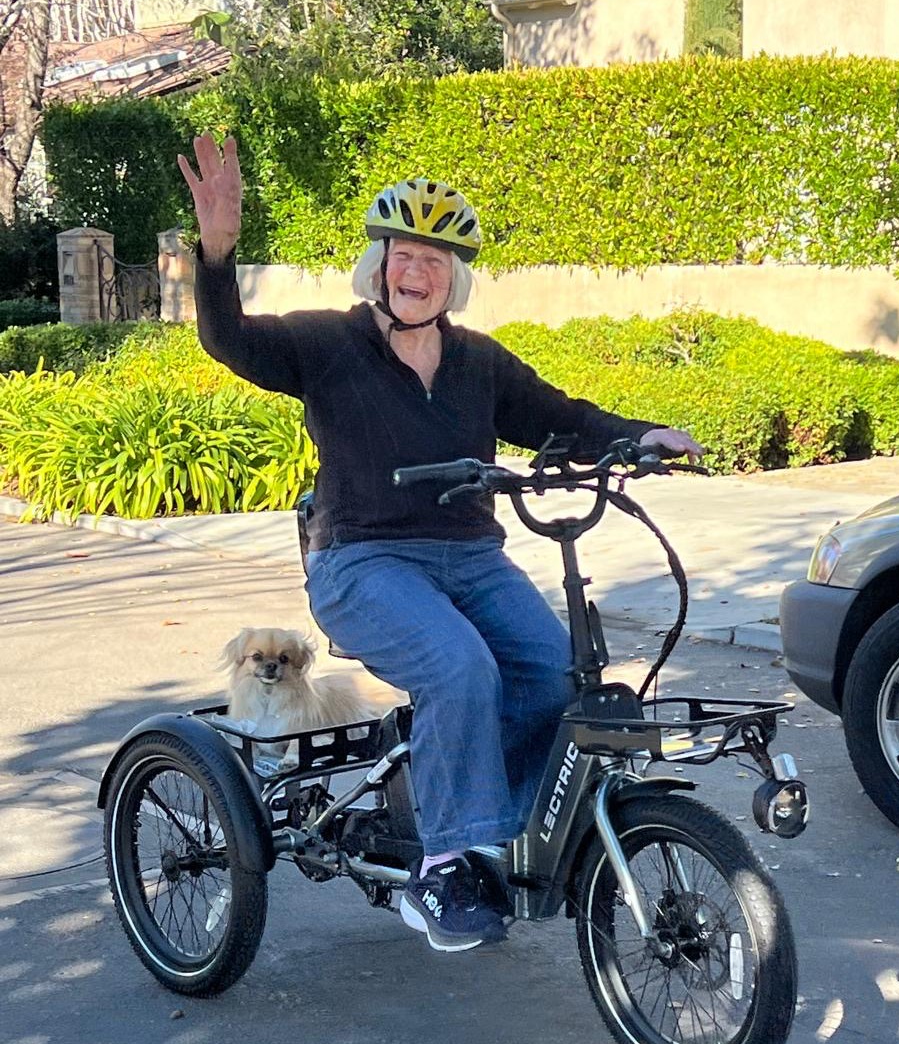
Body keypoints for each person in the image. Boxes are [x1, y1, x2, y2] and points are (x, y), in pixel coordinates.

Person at [178, 135, 702, 952]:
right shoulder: (324, 343)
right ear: (377, 265)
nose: (415, 272)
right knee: (461, 667)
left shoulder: (477, 362)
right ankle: (447, 867)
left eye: (433, 258)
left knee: (553, 668)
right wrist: (216, 254)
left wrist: (641, 438)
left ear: (453, 277)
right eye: (401, 255)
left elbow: (559, 418)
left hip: (471, 557)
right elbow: (231, 340)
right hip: (361, 560)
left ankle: (493, 823)